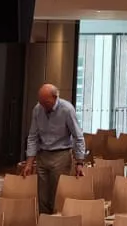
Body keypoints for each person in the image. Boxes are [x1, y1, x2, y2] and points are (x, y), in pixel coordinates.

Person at [21, 83, 86, 215]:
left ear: (55, 97)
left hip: (61, 154)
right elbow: (32, 137)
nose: (43, 106)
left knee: (57, 194)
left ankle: (57, 222)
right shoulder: (37, 109)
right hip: (43, 154)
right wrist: (29, 162)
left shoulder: (67, 109)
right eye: (41, 102)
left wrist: (79, 162)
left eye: (46, 102)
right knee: (42, 196)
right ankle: (44, 222)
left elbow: (78, 136)